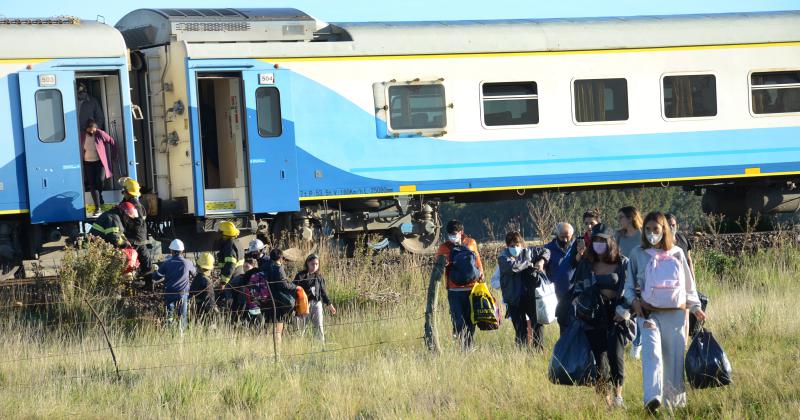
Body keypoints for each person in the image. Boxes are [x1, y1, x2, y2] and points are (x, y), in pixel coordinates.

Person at [622, 211, 706, 414]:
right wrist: (634, 303)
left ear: (664, 230)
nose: (652, 233)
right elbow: (629, 285)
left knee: (674, 359)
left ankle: (675, 405)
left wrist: (695, 307)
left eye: (656, 229)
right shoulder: (637, 254)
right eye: (648, 229)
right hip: (648, 314)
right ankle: (652, 398)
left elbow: (688, 284)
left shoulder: (677, 252)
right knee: (651, 354)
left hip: (676, 314)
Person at [571, 223, 633, 408]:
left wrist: (625, 309)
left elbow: (631, 289)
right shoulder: (586, 263)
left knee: (616, 355)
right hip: (593, 317)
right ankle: (604, 402)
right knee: (599, 360)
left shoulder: (623, 262)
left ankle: (618, 397)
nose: (598, 243)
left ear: (611, 242)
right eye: (596, 240)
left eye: (602, 240)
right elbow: (577, 287)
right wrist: (579, 303)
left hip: (617, 315)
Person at [432, 219, 484, 350]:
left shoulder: (471, 243)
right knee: (458, 320)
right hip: (454, 290)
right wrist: (442, 264)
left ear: (461, 232)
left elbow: (477, 261)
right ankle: (462, 345)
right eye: (449, 234)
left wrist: (482, 274)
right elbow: (438, 265)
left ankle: (468, 346)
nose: (452, 236)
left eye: (454, 233)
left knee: (471, 320)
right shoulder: (444, 247)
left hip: (472, 288)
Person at [498, 231, 550, 350]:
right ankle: (522, 351)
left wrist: (541, 261)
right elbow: (513, 267)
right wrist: (529, 263)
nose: (515, 248)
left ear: (521, 244)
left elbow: (546, 251)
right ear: (507, 246)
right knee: (520, 328)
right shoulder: (503, 257)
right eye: (511, 246)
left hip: (531, 296)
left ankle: (538, 350)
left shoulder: (529, 251)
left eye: (517, 245)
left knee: (538, 323)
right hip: (513, 299)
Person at [614, 206, 644, 359]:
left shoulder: (642, 235)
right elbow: (614, 255)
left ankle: (637, 345)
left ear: (631, 218)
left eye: (621, 217)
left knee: (640, 313)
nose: (619, 221)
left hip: (641, 279)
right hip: (624, 280)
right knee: (625, 312)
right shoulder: (618, 235)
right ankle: (628, 340)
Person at [151, 239, 195, 331]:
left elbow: (156, 277)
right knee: (182, 316)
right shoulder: (187, 263)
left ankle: (169, 332)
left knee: (169, 316)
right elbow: (195, 274)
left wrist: (153, 272)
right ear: (182, 251)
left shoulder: (166, 263)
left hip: (169, 293)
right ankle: (182, 334)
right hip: (182, 294)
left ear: (171, 251)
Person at [543, 222, 578, 335]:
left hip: (575, 294)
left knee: (576, 324)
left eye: (568, 237)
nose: (565, 240)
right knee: (563, 323)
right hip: (556, 295)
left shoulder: (577, 248)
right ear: (557, 234)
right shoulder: (548, 249)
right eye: (562, 236)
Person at [259, 249, 300, 343]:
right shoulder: (279, 268)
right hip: (278, 300)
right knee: (278, 327)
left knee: (268, 326)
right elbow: (283, 285)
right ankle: (278, 349)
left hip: (265, 298)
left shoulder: (264, 266)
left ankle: (268, 346)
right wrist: (295, 286)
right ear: (280, 258)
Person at [294, 253, 336, 342]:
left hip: (317, 304)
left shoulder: (319, 277)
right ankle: (299, 346)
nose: (314, 266)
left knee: (319, 326)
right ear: (307, 263)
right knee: (301, 328)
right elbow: (294, 289)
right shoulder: (300, 276)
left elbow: (323, 292)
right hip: (303, 305)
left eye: (317, 264)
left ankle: (321, 346)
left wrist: (330, 305)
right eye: (312, 264)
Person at [82, 119, 115, 217]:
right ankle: (98, 207)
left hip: (100, 162)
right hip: (88, 163)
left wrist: (114, 155)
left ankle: (99, 196)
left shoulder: (100, 133)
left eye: (93, 129)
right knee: (93, 185)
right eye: (90, 129)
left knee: (100, 180)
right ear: (87, 128)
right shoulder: (82, 135)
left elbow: (112, 141)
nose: (92, 131)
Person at [119, 177, 151, 273]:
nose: (123, 193)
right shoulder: (129, 203)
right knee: (145, 261)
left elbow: (138, 222)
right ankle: (148, 282)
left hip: (134, 238)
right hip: (139, 238)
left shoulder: (134, 205)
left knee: (130, 260)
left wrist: (126, 229)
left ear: (128, 192)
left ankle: (136, 280)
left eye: (124, 191)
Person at [216, 221, 243, 309]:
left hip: (232, 278)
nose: (218, 235)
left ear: (225, 234)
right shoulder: (236, 242)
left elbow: (230, 265)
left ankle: (231, 317)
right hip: (237, 275)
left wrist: (223, 282)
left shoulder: (230, 245)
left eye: (220, 233)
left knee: (229, 300)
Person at [190, 252, 218, 319]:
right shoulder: (207, 282)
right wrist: (216, 313)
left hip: (196, 314)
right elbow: (209, 302)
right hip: (206, 316)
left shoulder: (196, 279)